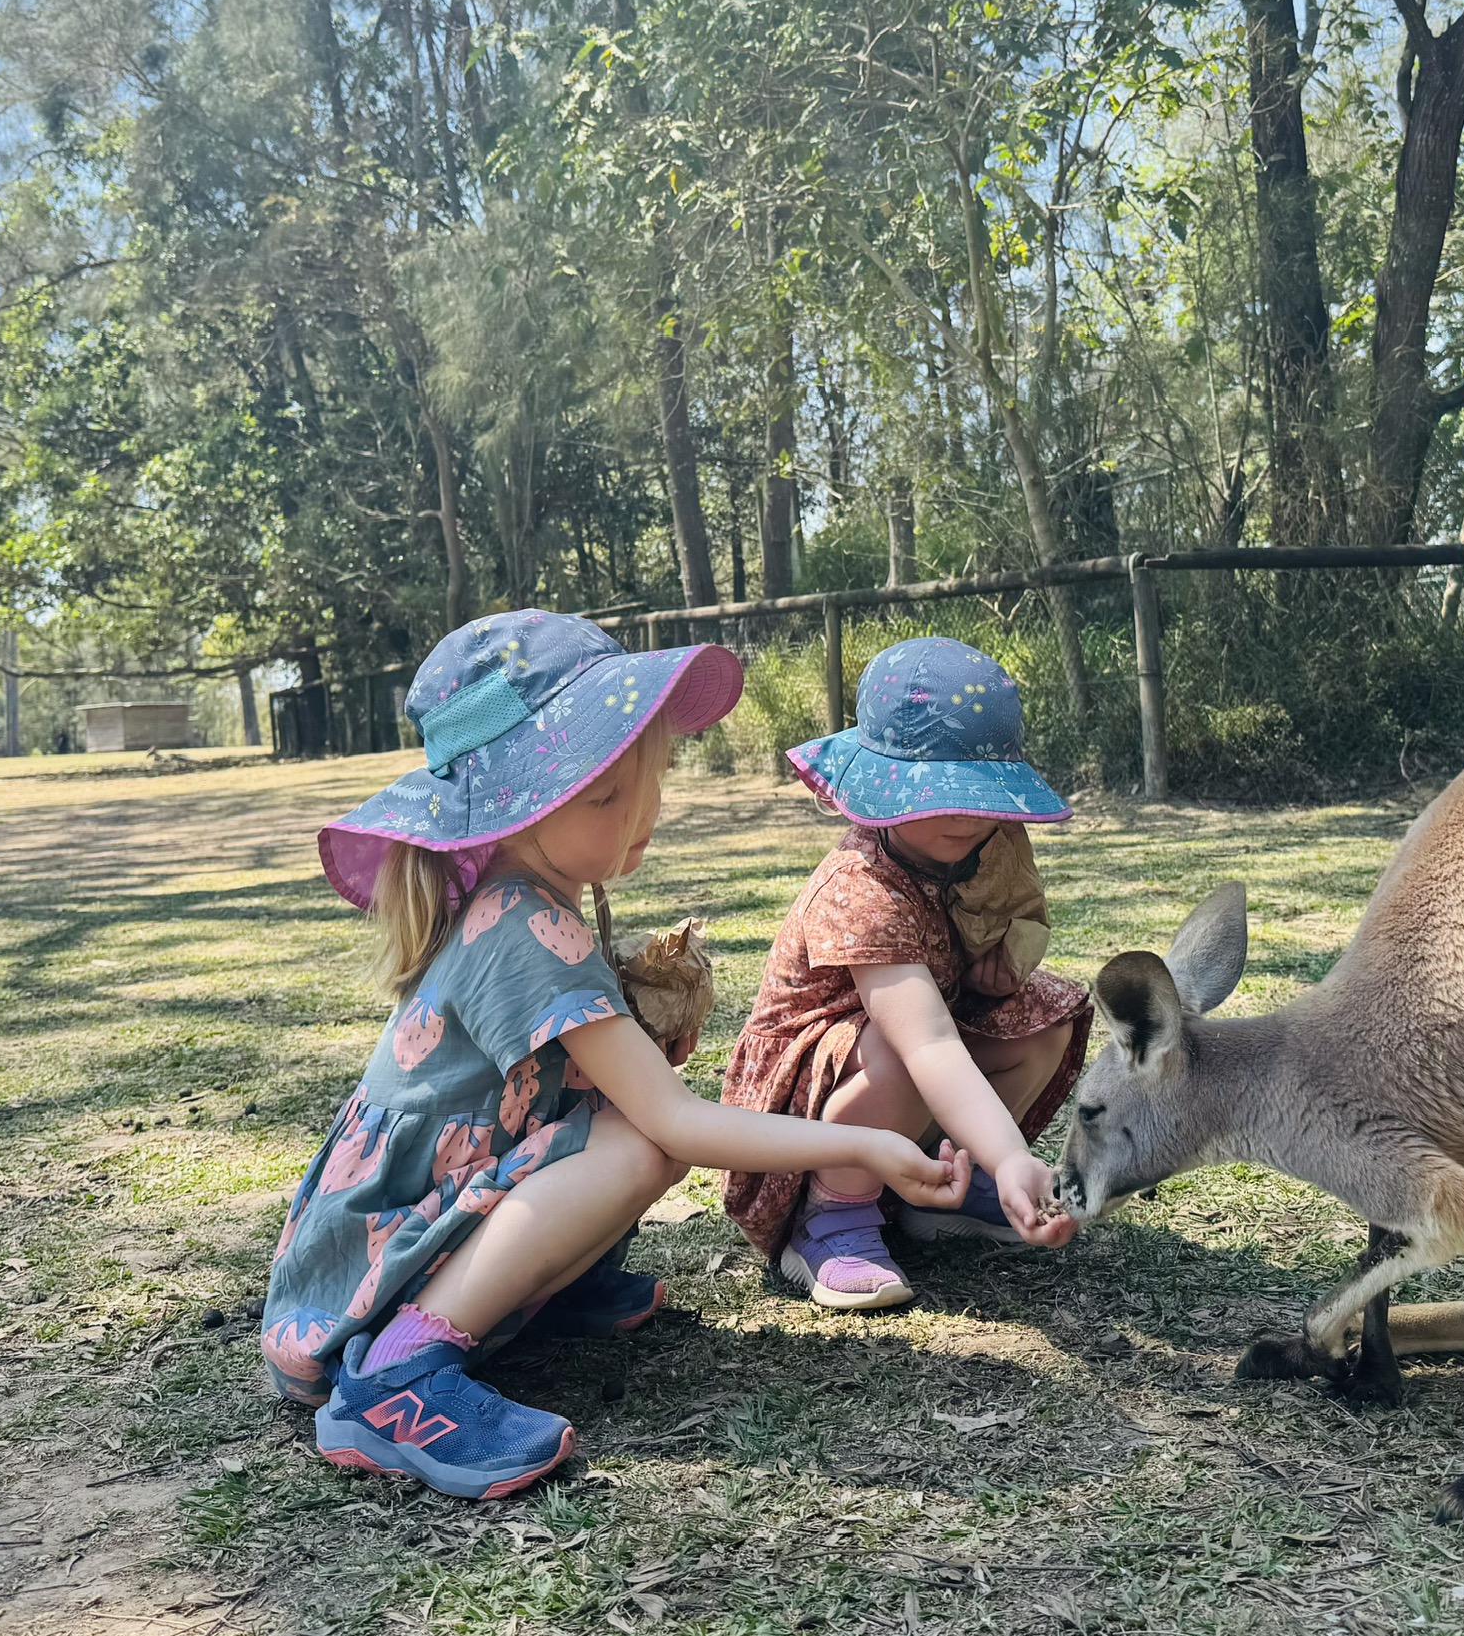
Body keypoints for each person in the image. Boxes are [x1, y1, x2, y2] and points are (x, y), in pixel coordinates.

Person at [263, 610, 968, 1501]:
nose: (643, 813)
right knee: (641, 1140)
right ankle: (394, 1377)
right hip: (367, 1259)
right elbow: (674, 1121)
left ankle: (533, 1296)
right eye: (604, 796)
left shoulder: (526, 896)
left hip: (409, 1214)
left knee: (630, 1130)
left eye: (650, 780)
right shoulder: (521, 923)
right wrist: (865, 1146)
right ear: (523, 808)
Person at [722, 635, 1090, 1311]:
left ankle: (938, 1177)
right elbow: (928, 1044)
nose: (965, 815)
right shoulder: (861, 886)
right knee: (902, 1051)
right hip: (803, 1110)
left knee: (1045, 1018)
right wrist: (1014, 1157)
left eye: (980, 794)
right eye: (937, 793)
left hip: (902, 1062)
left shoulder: (976, 849)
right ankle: (830, 1216)